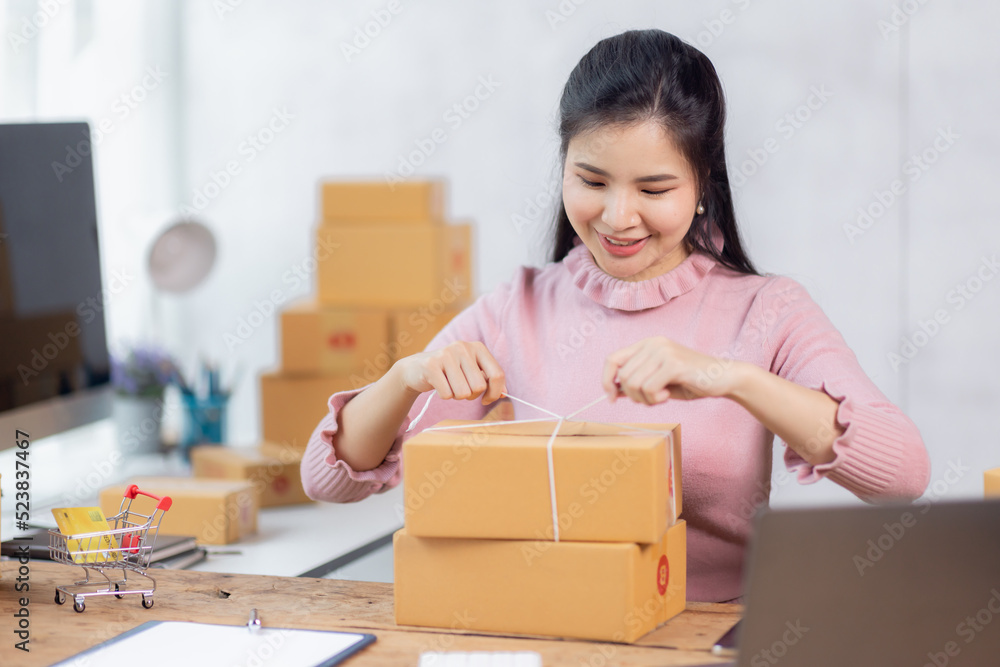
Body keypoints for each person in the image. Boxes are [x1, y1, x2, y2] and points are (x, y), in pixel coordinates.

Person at [300, 29, 930, 603]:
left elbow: (903, 475)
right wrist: (406, 377)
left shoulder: (768, 311)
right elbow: (327, 480)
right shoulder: (516, 307)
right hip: (561, 627)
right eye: (593, 181)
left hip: (710, 636)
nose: (618, 217)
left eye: (654, 189)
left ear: (703, 184)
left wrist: (732, 379)